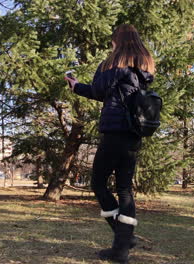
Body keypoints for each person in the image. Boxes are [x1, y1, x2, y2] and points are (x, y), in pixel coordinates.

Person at [64, 24, 155, 264]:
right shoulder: (142, 67)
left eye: (112, 41)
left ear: (118, 41)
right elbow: (111, 93)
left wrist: (75, 86)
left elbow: (97, 90)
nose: (111, 44)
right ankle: (121, 247)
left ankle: (123, 240)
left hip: (115, 131)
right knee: (124, 188)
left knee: (99, 183)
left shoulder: (114, 64)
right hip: (134, 133)